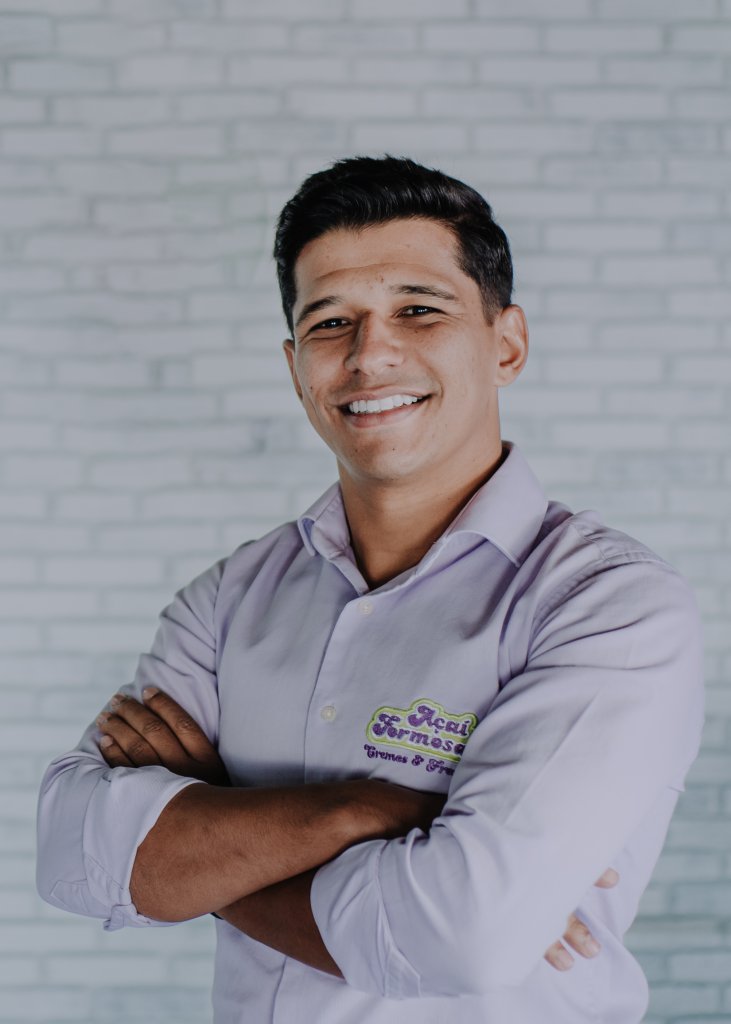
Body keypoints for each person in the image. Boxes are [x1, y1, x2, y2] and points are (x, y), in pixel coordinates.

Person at [37, 155, 703, 1023]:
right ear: (295, 367)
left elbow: (464, 937)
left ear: (505, 344)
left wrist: (211, 842)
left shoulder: (607, 606)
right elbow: (72, 858)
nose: (369, 353)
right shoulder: (229, 600)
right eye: (329, 323)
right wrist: (370, 810)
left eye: (418, 310)